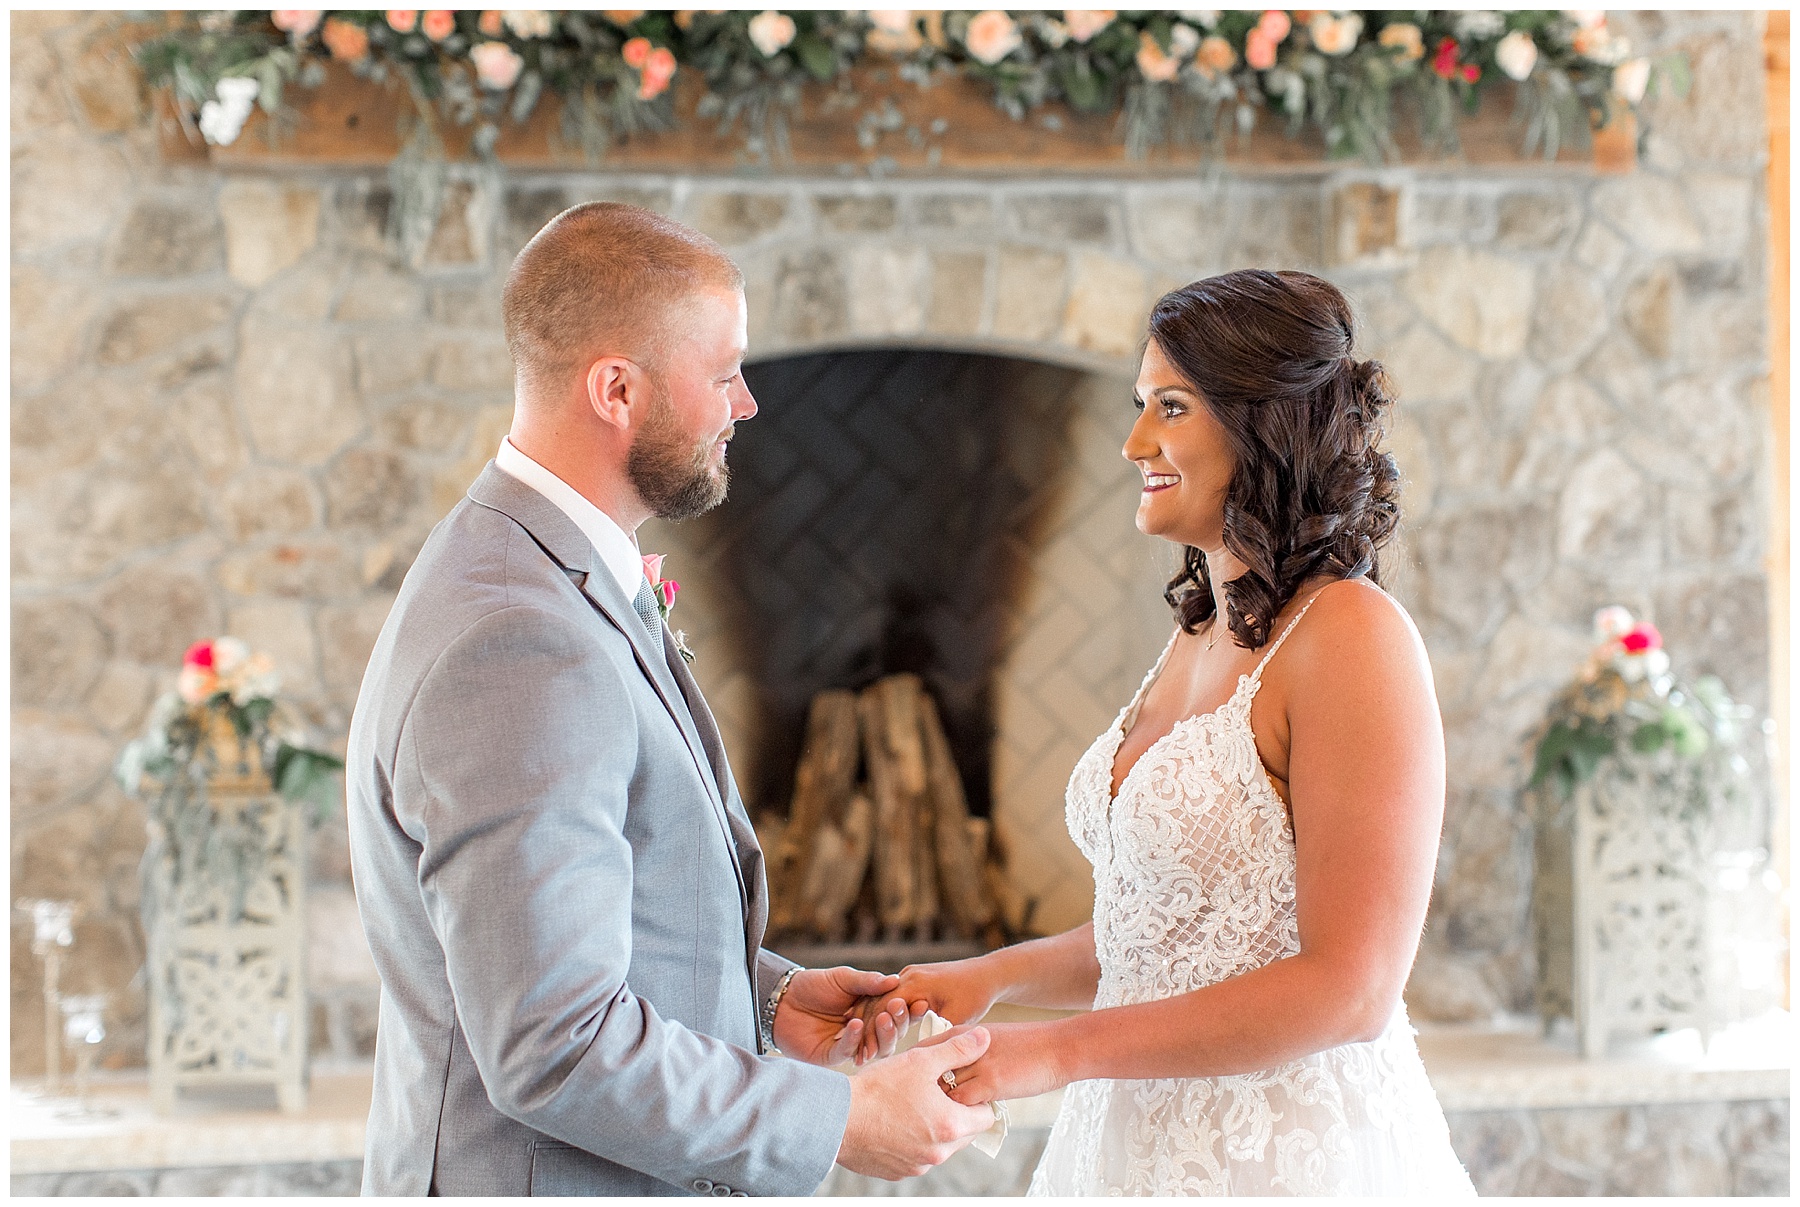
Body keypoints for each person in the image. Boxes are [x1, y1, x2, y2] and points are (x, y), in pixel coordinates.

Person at [345, 202, 996, 1196]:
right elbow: (556, 1042)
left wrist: (761, 997)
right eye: (724, 372)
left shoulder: (533, 566)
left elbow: (572, 920)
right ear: (617, 389)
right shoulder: (518, 638)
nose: (747, 404)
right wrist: (839, 1120)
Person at [861, 270, 1477, 1196]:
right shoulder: (1201, 630)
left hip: (1283, 1161)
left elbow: (1351, 989)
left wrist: (1057, 1050)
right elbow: (1169, 935)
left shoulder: (1353, 636)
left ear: (1262, 425)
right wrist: (989, 976)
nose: (1135, 441)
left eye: (1172, 407)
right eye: (1139, 404)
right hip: (1133, 1147)